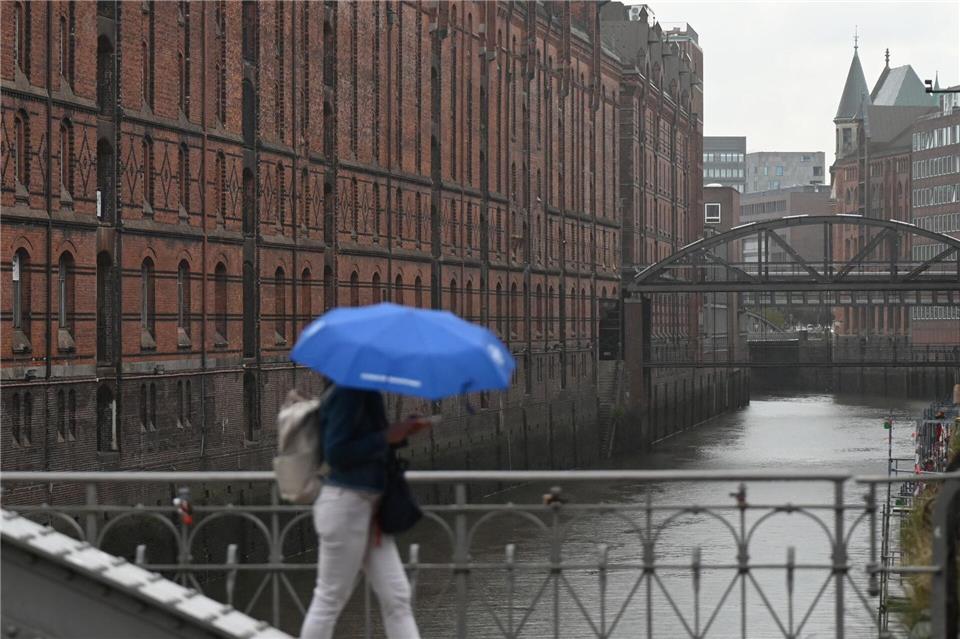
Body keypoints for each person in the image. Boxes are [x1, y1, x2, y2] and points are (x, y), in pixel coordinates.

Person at [300, 384, 431, 639]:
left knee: (397, 596)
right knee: (330, 598)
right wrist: (386, 437)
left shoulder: (364, 391)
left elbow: (369, 444)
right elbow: (336, 452)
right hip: (346, 507)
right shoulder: (346, 393)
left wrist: (402, 431)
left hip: (367, 509)